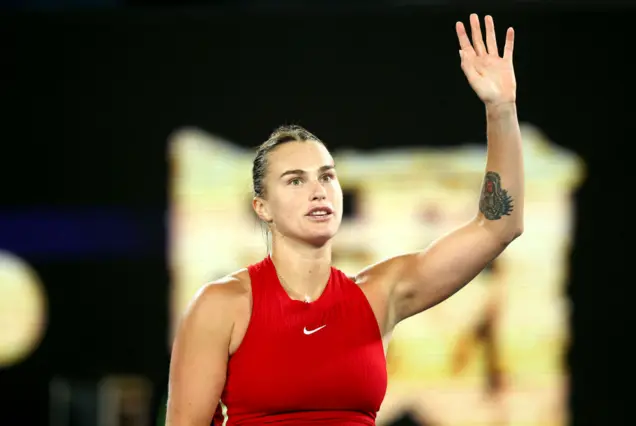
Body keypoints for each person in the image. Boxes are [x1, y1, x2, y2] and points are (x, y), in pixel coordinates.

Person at [166, 13, 523, 426]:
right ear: (261, 207)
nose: (318, 190)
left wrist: (501, 109)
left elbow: (500, 224)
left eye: (327, 177)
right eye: (295, 180)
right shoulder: (222, 306)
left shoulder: (377, 296)